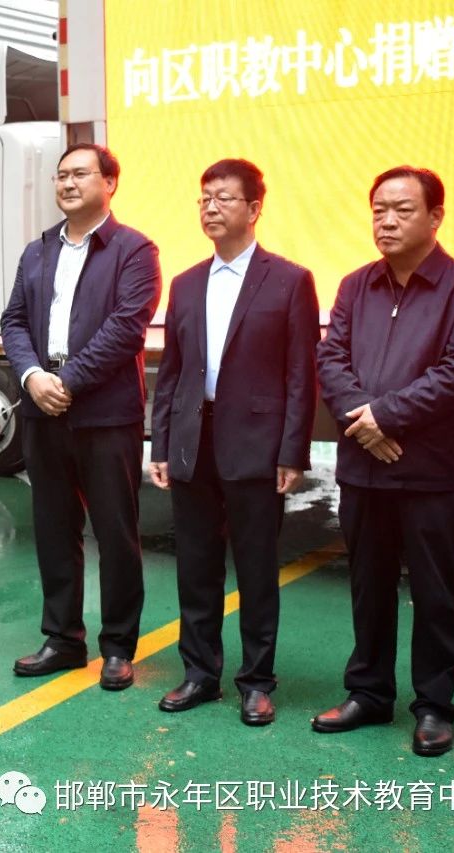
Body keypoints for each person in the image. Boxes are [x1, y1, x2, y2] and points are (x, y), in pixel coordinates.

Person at [314, 166, 454, 756]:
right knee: (368, 585)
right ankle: (368, 692)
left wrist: (384, 418)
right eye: (378, 210)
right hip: (364, 467)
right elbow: (331, 359)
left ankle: (435, 705)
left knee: (436, 591)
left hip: (428, 471)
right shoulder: (355, 285)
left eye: (402, 210)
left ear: (435, 217)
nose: (386, 221)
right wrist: (366, 424)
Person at [149, 159, 319, 725]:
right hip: (193, 441)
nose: (211, 207)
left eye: (223, 197)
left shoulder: (289, 280)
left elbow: (301, 375)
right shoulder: (186, 283)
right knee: (195, 566)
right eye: (204, 198)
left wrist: (292, 451)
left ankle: (257, 681)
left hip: (256, 443)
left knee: (256, 569)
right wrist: (160, 444)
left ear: (254, 208)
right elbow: (172, 372)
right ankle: (199, 673)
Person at [0, 143, 161, 689]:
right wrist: (32, 376)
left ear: (109, 183)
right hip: (42, 407)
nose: (67, 183)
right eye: (61, 175)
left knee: (115, 532)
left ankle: (118, 646)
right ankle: (63, 638)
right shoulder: (38, 250)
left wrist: (66, 381)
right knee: (53, 528)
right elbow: (14, 320)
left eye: (80, 174)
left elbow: (126, 327)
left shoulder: (134, 250)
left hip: (105, 412)